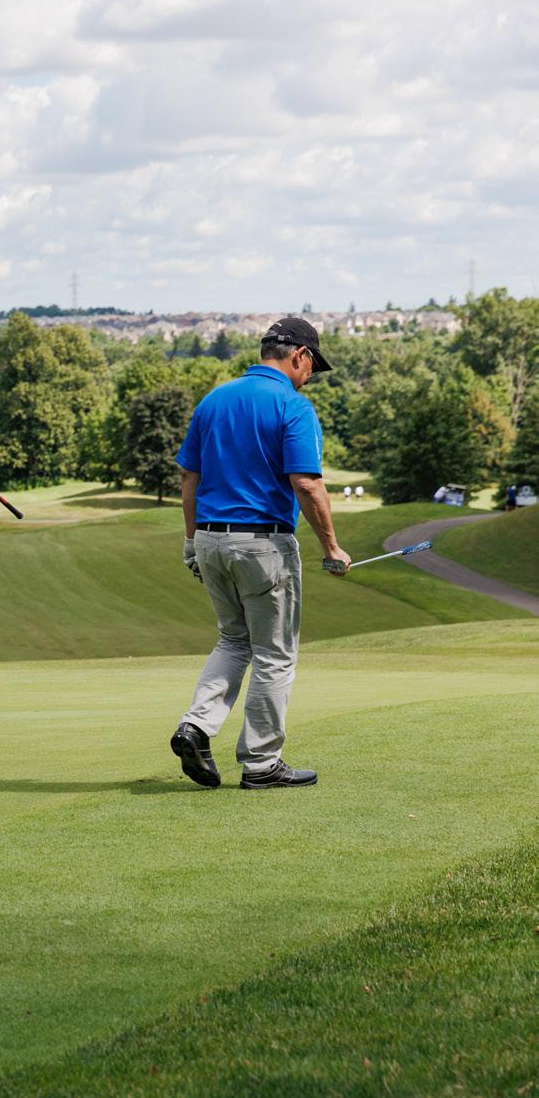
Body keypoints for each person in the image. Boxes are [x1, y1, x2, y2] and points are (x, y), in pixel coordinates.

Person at [171, 316, 350, 791]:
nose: (310, 377)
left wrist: (190, 540)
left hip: (208, 539)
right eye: (312, 367)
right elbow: (306, 484)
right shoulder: (292, 406)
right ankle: (261, 763)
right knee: (274, 655)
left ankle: (195, 727)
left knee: (234, 641)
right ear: (300, 356)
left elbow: (189, 477)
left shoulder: (214, 399)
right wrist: (331, 547)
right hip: (262, 545)